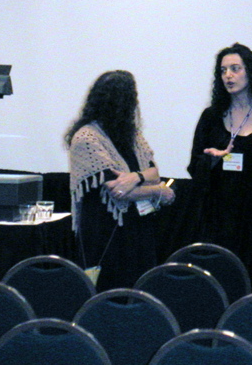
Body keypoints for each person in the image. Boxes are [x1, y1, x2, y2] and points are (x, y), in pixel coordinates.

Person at [188, 43, 252, 291]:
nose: (228, 76)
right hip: (218, 216)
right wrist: (211, 160)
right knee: (218, 281)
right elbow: (194, 166)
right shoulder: (211, 117)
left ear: (250, 72)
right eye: (223, 71)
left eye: (235, 69)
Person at [66, 70, 175, 291]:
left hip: (137, 228)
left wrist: (138, 177)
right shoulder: (86, 138)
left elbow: (153, 171)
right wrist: (158, 191)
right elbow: (119, 190)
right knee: (109, 292)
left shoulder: (131, 135)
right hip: (105, 234)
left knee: (140, 291)